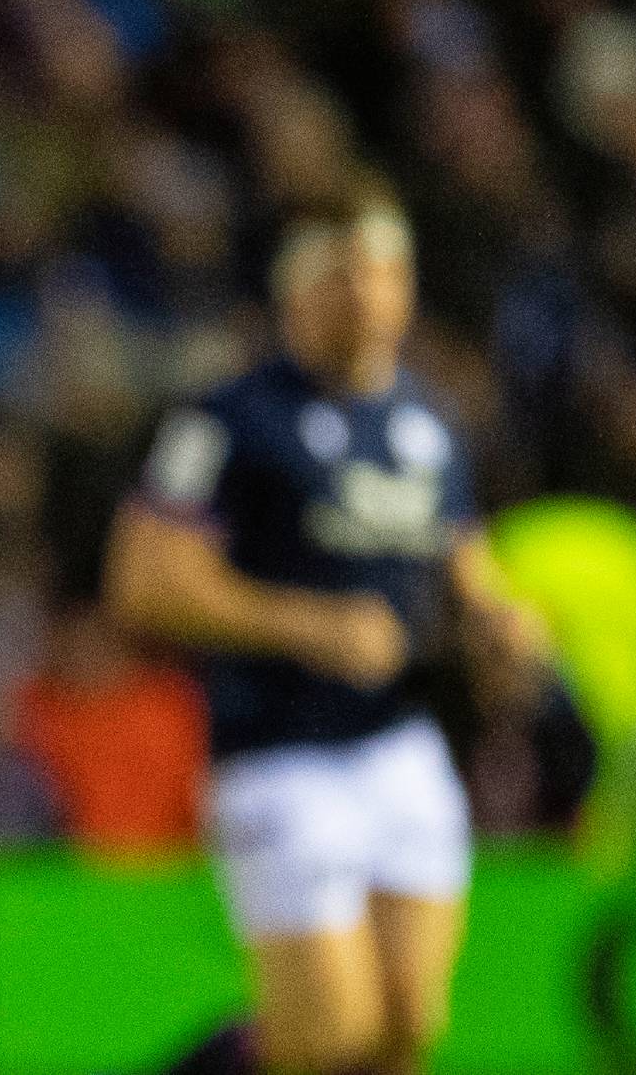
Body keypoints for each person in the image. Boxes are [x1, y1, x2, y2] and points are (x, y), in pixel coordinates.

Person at [103, 186, 547, 1075]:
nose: (371, 295)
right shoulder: (226, 420)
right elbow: (143, 584)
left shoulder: (433, 422)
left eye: (386, 270)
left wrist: (501, 626)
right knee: (325, 1041)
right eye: (344, 272)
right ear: (292, 290)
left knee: (406, 1032)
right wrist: (307, 624)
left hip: (401, 746)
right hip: (280, 754)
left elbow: (464, 564)